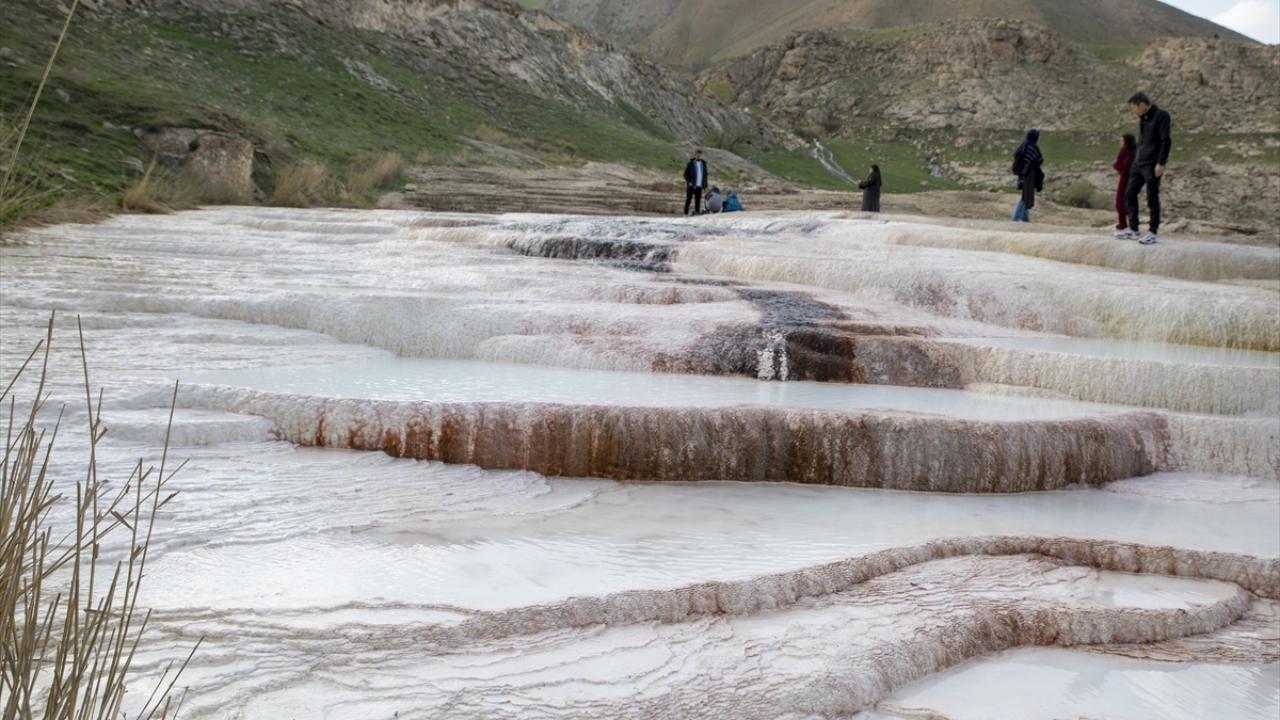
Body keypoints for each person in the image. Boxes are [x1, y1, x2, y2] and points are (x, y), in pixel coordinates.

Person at [1121, 92, 1172, 245]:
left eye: (1134, 108)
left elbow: (1166, 140)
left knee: (1152, 197)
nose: (1134, 111)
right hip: (1139, 163)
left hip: (1152, 164)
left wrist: (1161, 163)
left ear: (1142, 104)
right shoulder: (1143, 119)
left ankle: (1152, 232)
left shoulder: (1161, 116)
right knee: (1129, 193)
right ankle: (1134, 228)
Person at [1010, 129, 1044, 223]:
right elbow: (1040, 160)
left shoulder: (1023, 146)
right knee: (1026, 197)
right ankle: (1016, 217)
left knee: (1026, 196)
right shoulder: (1032, 147)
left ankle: (1025, 218)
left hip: (1022, 175)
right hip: (1029, 175)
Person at [1113, 133, 1136, 237]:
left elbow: (1124, 168)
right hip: (1124, 179)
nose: (1120, 143)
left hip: (1127, 180)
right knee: (1120, 203)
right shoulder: (1124, 152)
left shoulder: (1130, 154)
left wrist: (1117, 165)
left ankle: (1125, 226)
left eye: (1122, 141)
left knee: (1121, 203)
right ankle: (1123, 224)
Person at [683, 149, 708, 216]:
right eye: (697, 155)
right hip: (691, 185)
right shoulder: (691, 163)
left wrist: (705, 186)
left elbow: (705, 176)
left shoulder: (703, 164)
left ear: (701, 155)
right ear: (695, 155)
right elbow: (685, 174)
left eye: (699, 155)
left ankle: (697, 213)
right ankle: (685, 213)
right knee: (688, 199)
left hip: (699, 186)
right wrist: (689, 181)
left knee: (698, 201)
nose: (698, 156)